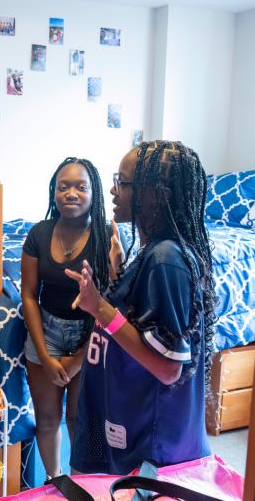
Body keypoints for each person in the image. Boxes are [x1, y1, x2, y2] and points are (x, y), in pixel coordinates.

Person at [66, 140, 217, 475]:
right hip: (123, 424)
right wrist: (120, 274)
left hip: (148, 448)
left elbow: (167, 368)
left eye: (123, 182)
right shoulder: (154, 254)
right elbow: (141, 325)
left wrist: (99, 306)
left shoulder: (167, 260)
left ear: (155, 194)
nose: (114, 191)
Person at [20, 157, 111, 479]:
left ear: (94, 193)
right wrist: (44, 355)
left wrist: (77, 359)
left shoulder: (107, 236)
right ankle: (55, 481)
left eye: (81, 187)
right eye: (63, 186)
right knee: (46, 418)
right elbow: (29, 295)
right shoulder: (39, 233)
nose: (71, 193)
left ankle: (82, 484)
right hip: (45, 331)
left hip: (91, 334)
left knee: (78, 418)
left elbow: (112, 307)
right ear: (53, 192)